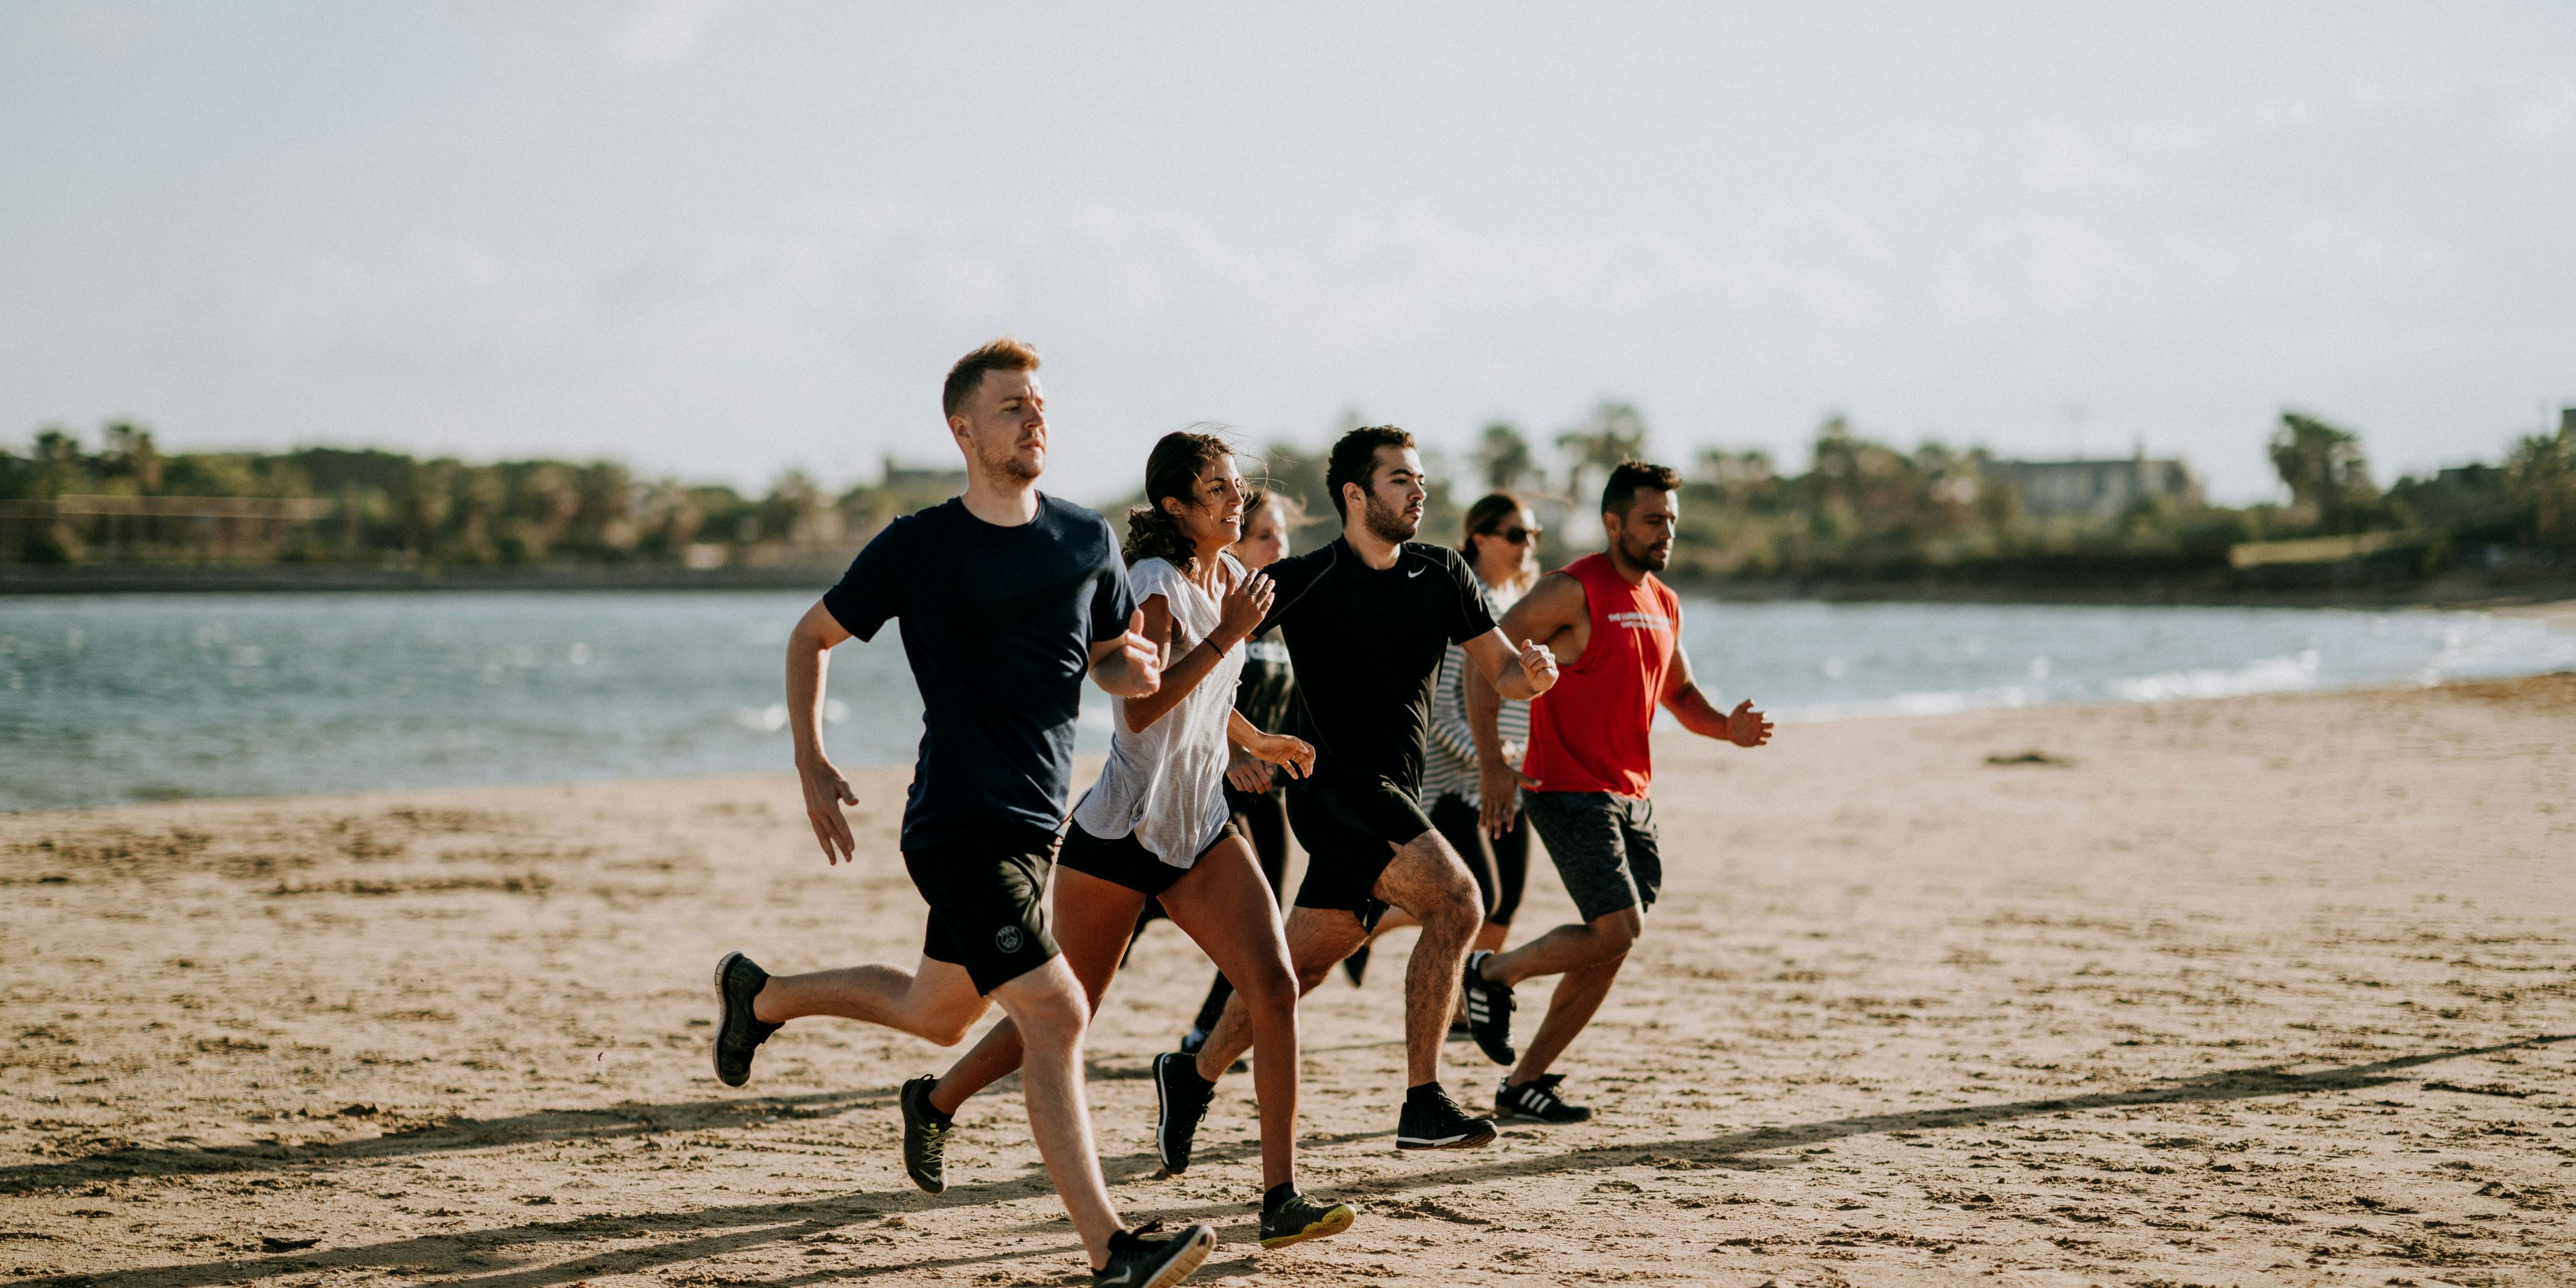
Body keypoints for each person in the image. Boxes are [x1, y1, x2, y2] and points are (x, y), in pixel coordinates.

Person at [708, 339, 1216, 1288]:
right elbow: (812, 637)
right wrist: (810, 758)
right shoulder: (920, 546)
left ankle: (760, 995)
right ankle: (1112, 1251)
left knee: (936, 1014)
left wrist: (1132, 668)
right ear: (964, 430)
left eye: (1040, 404)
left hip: (1036, 825)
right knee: (1058, 1014)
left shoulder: (1084, 538)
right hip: (955, 822)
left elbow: (1107, 655)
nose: (1036, 421)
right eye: (1014, 407)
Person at [902, 433, 1358, 1252]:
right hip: (1118, 834)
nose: (1235, 499)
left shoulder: (1230, 582)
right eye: (1216, 489)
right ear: (1178, 507)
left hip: (1199, 829)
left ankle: (1280, 1197)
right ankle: (935, 1100)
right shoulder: (1153, 586)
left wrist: (1257, 743)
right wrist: (1229, 636)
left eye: (1236, 486)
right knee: (1067, 1011)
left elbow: (1207, 697)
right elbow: (1141, 708)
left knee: (1275, 987)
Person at [1153, 426, 1560, 1167]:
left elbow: (1501, 672)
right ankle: (1422, 1101)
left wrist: (1533, 675)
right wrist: (1238, 748)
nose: (1419, 491)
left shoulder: (1443, 574)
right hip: (1335, 788)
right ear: (1355, 494)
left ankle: (1192, 1072)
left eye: (1419, 478)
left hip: (1392, 792)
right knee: (1459, 901)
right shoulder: (1307, 577)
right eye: (1401, 479)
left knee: (1296, 971)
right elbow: (1204, 661)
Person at [1458, 461, 1774, 1126]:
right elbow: (1482, 664)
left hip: (1633, 795)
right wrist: (1491, 763)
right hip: (1566, 786)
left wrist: (1729, 730)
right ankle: (1491, 974)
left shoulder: (1664, 601)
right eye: (1653, 520)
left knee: (1613, 942)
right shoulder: (1569, 590)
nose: (1666, 533)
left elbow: (1680, 696)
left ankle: (1525, 1083)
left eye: (1672, 522)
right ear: (1614, 523)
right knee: (1618, 927)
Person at [1342, 492, 1543, 995]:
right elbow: (1442, 712)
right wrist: (1490, 760)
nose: (1528, 545)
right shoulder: (1467, 600)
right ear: (1481, 538)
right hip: (1456, 782)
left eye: (1533, 536)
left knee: (1508, 900)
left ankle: (1466, 1003)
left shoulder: (1513, 603)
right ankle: (1373, 926)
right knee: (1479, 897)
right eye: (1516, 535)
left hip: (1506, 777)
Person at [1177, 490, 1305, 1056]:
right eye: (1265, 537)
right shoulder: (1222, 610)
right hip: (1217, 788)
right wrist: (1233, 754)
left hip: (1267, 792)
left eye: (1283, 536)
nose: (1280, 548)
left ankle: (1210, 1024)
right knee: (1235, 916)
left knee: (1263, 917)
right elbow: (1191, 693)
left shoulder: (1282, 614)